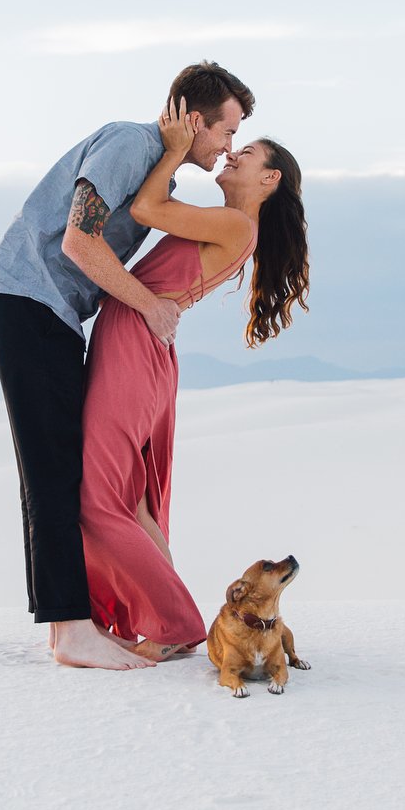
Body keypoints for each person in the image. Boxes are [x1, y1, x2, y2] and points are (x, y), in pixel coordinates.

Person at [0, 62, 254, 669]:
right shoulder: (130, 143)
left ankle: (70, 627)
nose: (228, 147)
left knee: (59, 472)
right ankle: (70, 631)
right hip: (29, 300)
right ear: (193, 119)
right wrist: (150, 305)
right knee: (51, 473)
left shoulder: (158, 176)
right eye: (226, 132)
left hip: (53, 312)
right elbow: (79, 241)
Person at [79, 102, 310, 662]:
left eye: (246, 151)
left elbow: (145, 206)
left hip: (136, 339)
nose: (232, 152)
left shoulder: (235, 224)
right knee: (130, 498)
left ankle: (176, 621)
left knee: (99, 496)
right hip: (141, 340)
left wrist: (178, 150)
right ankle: (171, 618)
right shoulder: (233, 224)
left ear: (269, 178)